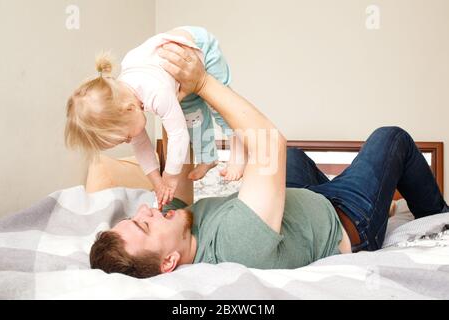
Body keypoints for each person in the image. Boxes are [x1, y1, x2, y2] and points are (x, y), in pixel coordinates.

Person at [89, 42, 449, 279]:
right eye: (145, 226)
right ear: (169, 263)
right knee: (391, 137)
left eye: (135, 216)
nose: (145, 211)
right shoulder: (234, 245)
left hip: (300, 206)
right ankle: (439, 219)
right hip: (346, 218)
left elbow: (179, 160)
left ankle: (380, 200)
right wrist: (202, 83)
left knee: (291, 161)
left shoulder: (179, 227)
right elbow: (268, 142)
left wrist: (163, 99)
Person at [65, 26, 245, 210]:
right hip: (174, 77)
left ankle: (238, 150)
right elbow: (142, 148)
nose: (129, 141)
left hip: (200, 48)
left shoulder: (156, 93)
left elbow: (178, 137)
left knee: (219, 105)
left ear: (129, 109)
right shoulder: (125, 102)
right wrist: (157, 182)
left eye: (125, 137)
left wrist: (170, 176)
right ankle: (209, 158)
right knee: (192, 117)